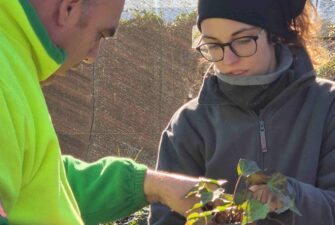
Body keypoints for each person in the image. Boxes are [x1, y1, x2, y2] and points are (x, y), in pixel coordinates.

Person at [0, 0, 210, 224]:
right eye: (99, 35)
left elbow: (41, 181)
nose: (92, 55)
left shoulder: (14, 62)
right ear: (69, 8)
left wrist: (153, 186)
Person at [150, 0, 335, 224]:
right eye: (213, 45)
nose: (229, 59)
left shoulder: (327, 106)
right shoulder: (189, 123)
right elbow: (166, 218)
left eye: (243, 40)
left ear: (274, 35)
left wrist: (287, 195)